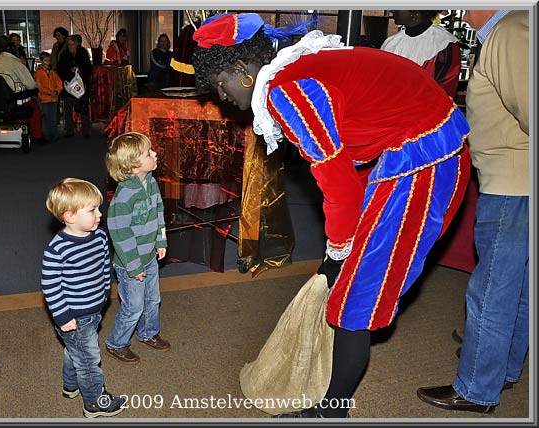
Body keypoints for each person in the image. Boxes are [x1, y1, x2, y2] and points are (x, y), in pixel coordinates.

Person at [193, 13, 471, 418]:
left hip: (423, 160)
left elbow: (337, 185)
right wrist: (336, 254)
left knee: (354, 299)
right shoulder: (297, 67)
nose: (221, 97)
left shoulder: (287, 92)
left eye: (220, 84)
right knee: (347, 280)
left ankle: (330, 411)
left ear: (242, 69)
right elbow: (351, 163)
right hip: (417, 150)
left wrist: (339, 253)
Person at [417, 10, 529, 413]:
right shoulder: (515, 27)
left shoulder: (508, 30)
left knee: (493, 293)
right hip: (520, 181)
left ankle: (476, 389)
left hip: (512, 183)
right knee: (517, 289)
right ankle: (504, 369)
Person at [41, 178, 126, 418]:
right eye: (92, 210)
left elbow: (102, 266)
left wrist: (106, 291)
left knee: (74, 351)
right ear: (69, 216)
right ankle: (94, 402)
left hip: (93, 308)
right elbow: (50, 285)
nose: (100, 214)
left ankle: (70, 386)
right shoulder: (57, 249)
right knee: (89, 361)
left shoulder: (99, 236)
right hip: (73, 316)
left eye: (99, 208)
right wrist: (62, 315)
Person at [104, 132, 170, 365]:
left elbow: (159, 214)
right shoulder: (125, 197)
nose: (154, 154)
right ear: (133, 166)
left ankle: (148, 332)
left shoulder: (150, 183)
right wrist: (133, 267)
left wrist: (161, 241)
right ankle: (116, 343)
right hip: (130, 263)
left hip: (149, 256)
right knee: (133, 307)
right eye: (147, 153)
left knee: (153, 299)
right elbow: (120, 235)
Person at [382, 10, 461, 99]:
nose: (392, 10)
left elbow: (443, 91)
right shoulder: (391, 43)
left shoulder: (444, 44)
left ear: (415, 13)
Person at [0, 42, 44, 142]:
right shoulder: (17, 64)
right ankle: (38, 137)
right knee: (35, 105)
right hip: (12, 101)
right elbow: (31, 85)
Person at [57, 35, 93, 139]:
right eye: (68, 44)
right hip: (69, 86)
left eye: (72, 44)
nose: (70, 46)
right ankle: (69, 131)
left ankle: (85, 131)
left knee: (84, 109)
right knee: (68, 109)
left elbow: (89, 70)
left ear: (77, 44)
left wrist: (80, 70)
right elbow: (60, 70)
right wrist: (69, 71)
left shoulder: (83, 54)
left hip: (82, 86)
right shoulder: (64, 55)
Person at [35, 51, 62, 143]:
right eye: (46, 60)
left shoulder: (52, 72)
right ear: (42, 61)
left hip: (53, 98)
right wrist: (51, 92)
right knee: (45, 118)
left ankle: (53, 135)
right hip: (45, 99)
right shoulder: (38, 73)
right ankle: (46, 135)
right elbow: (40, 87)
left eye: (49, 60)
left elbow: (59, 83)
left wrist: (56, 91)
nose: (48, 62)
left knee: (53, 118)